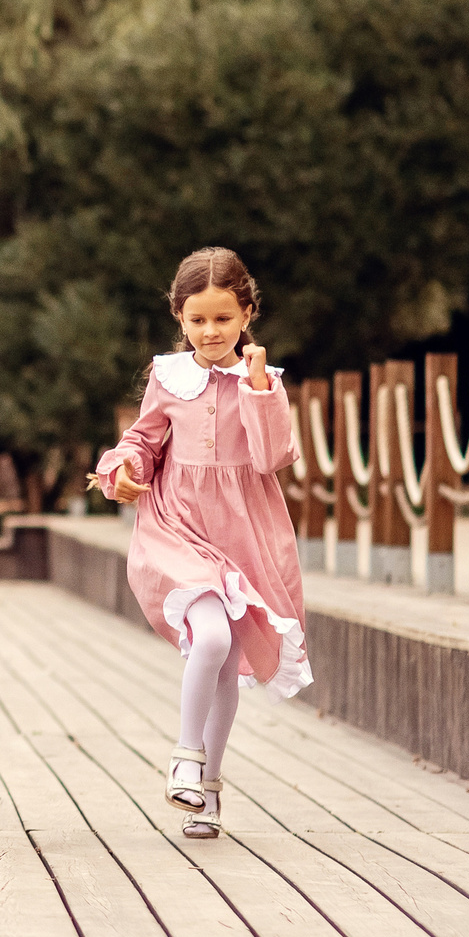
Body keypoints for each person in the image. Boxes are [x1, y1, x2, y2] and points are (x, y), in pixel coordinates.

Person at [92, 247, 310, 840]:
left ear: (247, 315)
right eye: (197, 320)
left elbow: (272, 458)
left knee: (225, 659)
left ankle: (208, 791)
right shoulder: (168, 378)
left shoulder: (264, 383)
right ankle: (187, 757)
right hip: (177, 523)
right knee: (210, 636)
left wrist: (259, 387)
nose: (210, 332)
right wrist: (126, 469)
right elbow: (144, 438)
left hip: (241, 531)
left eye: (222, 318)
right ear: (179, 320)